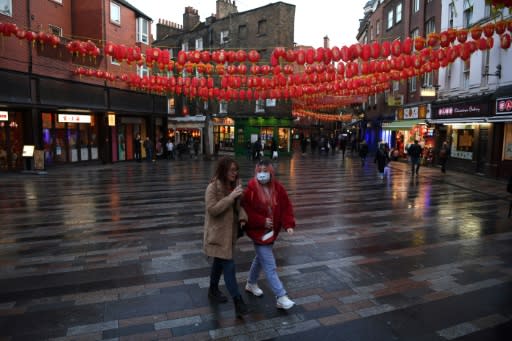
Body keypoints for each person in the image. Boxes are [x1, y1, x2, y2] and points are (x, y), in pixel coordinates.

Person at [241, 159, 296, 310]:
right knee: (270, 265)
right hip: (258, 233)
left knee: (260, 258)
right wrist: (261, 221)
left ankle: (251, 283)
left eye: (265, 171)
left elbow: (285, 207)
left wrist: (288, 224)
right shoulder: (250, 190)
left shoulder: (278, 188)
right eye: (260, 171)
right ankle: (281, 296)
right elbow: (245, 212)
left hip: (271, 233)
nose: (262, 174)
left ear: (271, 172)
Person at [203, 157, 249, 317]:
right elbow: (212, 209)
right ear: (223, 170)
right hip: (217, 235)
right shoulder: (212, 187)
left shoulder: (234, 186)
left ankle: (213, 290)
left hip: (230, 234)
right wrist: (230, 197)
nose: (235, 173)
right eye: (232, 170)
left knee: (218, 262)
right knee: (228, 265)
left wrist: (243, 217)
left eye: (236, 170)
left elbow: (238, 208)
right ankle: (238, 301)